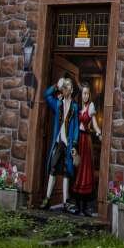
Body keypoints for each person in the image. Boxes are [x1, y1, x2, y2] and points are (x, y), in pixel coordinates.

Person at [41, 77, 79, 210]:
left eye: (67, 87)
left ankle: (64, 203)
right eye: (64, 87)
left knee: (66, 172)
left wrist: (74, 144)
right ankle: (47, 199)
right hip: (58, 143)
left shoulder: (75, 107)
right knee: (52, 169)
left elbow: (75, 127)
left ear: (71, 90)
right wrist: (56, 86)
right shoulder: (57, 104)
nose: (65, 89)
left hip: (68, 145)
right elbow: (46, 95)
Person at [69, 83, 102, 216]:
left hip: (86, 140)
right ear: (81, 94)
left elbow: (94, 123)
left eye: (88, 93)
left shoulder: (91, 106)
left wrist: (99, 133)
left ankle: (85, 207)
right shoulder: (76, 107)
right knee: (76, 170)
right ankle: (77, 206)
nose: (86, 96)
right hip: (77, 140)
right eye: (84, 93)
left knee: (85, 171)